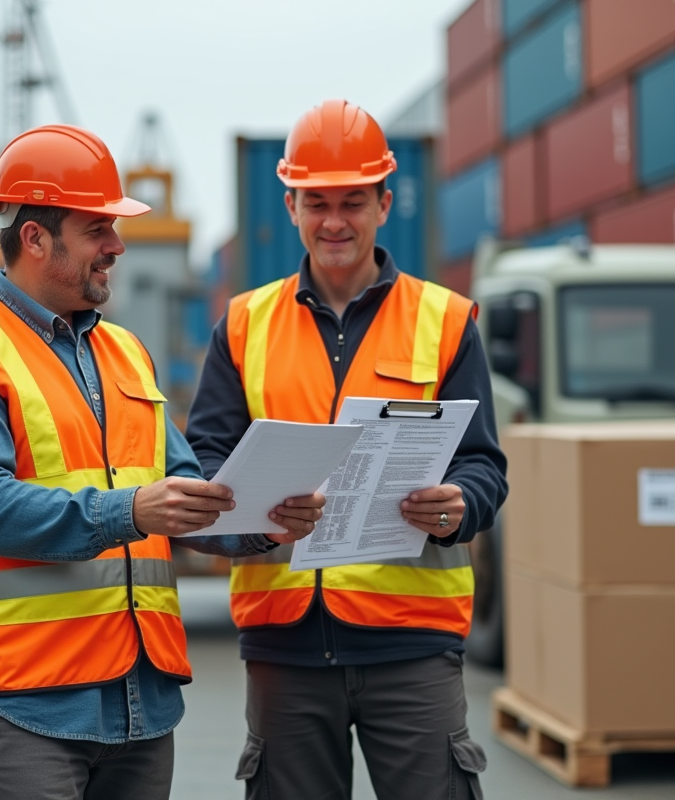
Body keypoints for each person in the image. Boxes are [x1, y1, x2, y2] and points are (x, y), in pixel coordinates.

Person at [0, 124, 324, 800]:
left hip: (141, 702)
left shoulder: (125, 352)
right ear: (35, 237)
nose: (117, 246)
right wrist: (130, 510)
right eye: (98, 228)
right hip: (27, 701)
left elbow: (189, 498)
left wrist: (266, 521)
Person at [185, 100, 509, 800]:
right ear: (292, 206)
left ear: (385, 203)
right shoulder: (242, 327)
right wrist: (256, 523)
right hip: (285, 650)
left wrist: (461, 506)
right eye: (317, 202)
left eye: (353, 201)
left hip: (413, 646)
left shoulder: (446, 321)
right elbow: (201, 471)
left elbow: (484, 465)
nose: (334, 220)